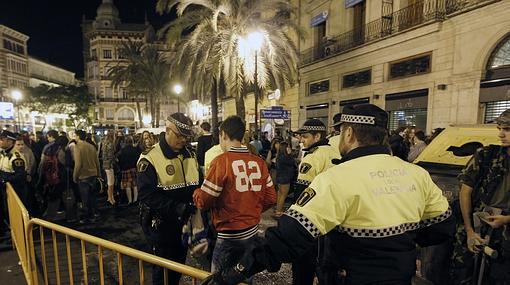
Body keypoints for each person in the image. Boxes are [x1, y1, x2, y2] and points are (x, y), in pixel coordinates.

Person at [203, 104, 455, 285]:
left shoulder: (337, 179)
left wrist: (234, 272)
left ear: (348, 134)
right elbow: (443, 227)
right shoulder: (416, 174)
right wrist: (401, 243)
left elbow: (288, 238)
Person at [193, 115, 276, 280]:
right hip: (252, 232)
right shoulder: (259, 162)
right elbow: (271, 198)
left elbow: (204, 201)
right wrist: (252, 209)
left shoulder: (221, 162)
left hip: (229, 236)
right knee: (244, 276)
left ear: (223, 134)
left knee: (219, 279)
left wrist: (196, 193)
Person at [137, 113, 201, 285]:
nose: (183, 140)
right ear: (167, 131)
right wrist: (177, 207)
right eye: (179, 135)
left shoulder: (190, 154)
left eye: (186, 136)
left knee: (178, 267)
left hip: (184, 223)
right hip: (160, 225)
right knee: (162, 272)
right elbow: (146, 195)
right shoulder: (149, 157)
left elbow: (198, 183)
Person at [455, 109, 510, 284]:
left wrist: (506, 219)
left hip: (504, 233)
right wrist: (470, 231)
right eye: (499, 128)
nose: (501, 134)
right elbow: (465, 192)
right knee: (465, 274)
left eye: (507, 129)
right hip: (478, 225)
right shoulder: (487, 154)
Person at [292, 118, 338, 285]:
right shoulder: (335, 152)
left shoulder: (313, 157)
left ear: (317, 135)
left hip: (313, 220)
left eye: (305, 136)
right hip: (334, 219)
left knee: (303, 266)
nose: (301, 140)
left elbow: (301, 194)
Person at [73, 130, 101, 224]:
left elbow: (78, 164)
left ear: (78, 136)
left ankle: (86, 217)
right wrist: (99, 174)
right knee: (92, 197)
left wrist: (75, 176)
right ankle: (94, 215)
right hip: (93, 174)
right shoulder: (91, 146)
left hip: (83, 175)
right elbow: (97, 162)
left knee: (85, 198)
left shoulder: (78, 147)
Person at [274, 141, 296, 218]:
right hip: (285, 179)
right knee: (283, 195)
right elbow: (293, 162)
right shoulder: (286, 158)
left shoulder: (279, 156)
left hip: (280, 178)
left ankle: (278, 210)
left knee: (279, 195)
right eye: (288, 147)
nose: (289, 148)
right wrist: (290, 154)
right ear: (285, 148)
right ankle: (279, 212)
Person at [117, 136, 141, 204]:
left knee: (127, 186)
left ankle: (130, 200)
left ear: (125, 142)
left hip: (125, 169)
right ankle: (135, 199)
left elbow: (119, 159)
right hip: (133, 168)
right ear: (132, 141)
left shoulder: (122, 150)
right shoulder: (135, 149)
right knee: (135, 185)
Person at [102, 132, 116, 205]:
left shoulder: (104, 143)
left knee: (109, 182)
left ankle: (109, 197)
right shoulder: (110, 144)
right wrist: (114, 160)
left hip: (105, 165)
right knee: (111, 183)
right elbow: (111, 156)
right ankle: (111, 198)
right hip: (109, 165)